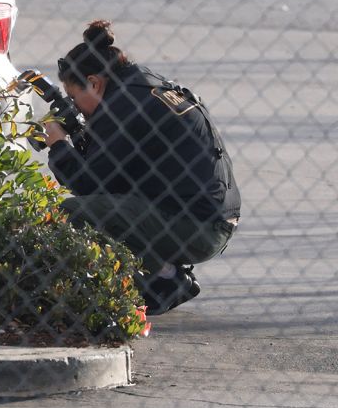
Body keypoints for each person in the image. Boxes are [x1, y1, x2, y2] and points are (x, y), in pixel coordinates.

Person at [43, 20, 240, 314]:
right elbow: (118, 173)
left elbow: (89, 184)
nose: (75, 106)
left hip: (198, 228)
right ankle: (160, 272)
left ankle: (164, 278)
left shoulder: (123, 106)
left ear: (94, 82)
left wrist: (58, 144)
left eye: (74, 97)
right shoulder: (141, 85)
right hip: (211, 218)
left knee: (73, 211)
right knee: (108, 206)